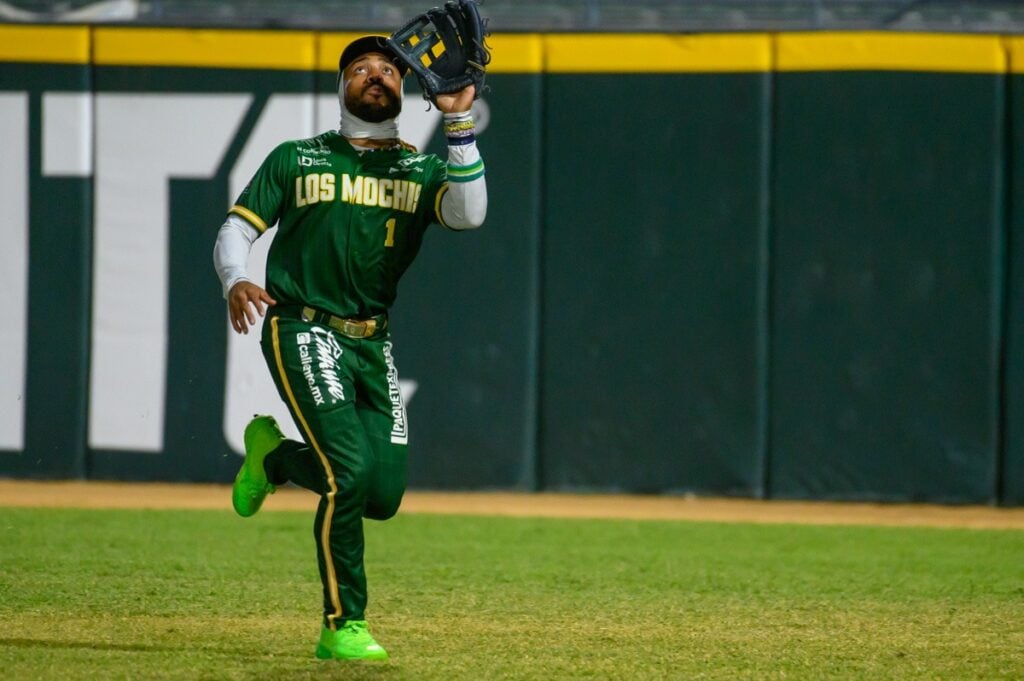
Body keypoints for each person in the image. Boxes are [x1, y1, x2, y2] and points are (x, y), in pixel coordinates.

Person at [212, 35, 487, 661]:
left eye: (387, 68)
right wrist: (236, 277)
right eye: (358, 68)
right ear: (341, 87)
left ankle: (276, 460)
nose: (372, 75)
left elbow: (470, 214)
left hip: (372, 339)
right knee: (349, 475)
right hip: (302, 324)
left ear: (403, 87)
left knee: (381, 495)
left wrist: (460, 120)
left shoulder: (420, 169)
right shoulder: (298, 157)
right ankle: (342, 624)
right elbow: (236, 227)